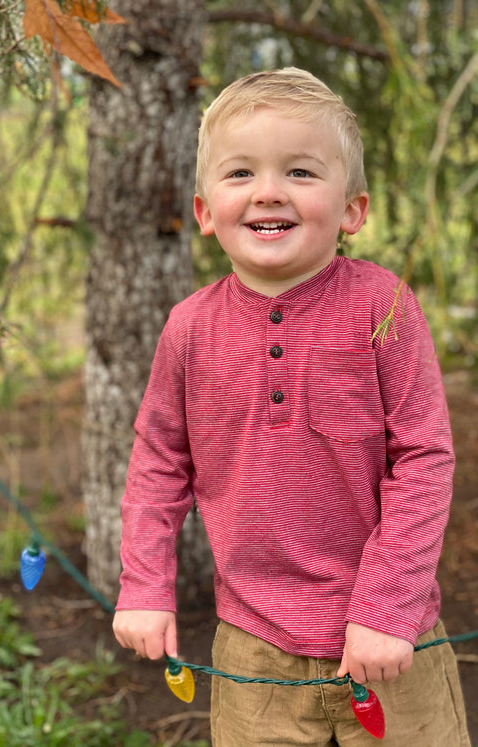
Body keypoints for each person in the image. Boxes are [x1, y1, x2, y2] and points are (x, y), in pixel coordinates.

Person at [112, 67, 470, 746]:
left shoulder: (382, 305)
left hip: (393, 638)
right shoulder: (188, 328)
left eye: (301, 172)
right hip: (254, 644)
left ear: (353, 209)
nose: (268, 191)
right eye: (240, 173)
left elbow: (424, 459)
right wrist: (145, 585)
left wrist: (387, 608)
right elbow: (159, 463)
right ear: (204, 211)